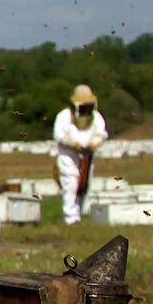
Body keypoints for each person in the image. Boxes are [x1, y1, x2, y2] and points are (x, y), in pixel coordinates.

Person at [52, 84, 106, 224]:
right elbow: (60, 136)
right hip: (68, 155)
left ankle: (79, 215)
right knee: (71, 183)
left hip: (88, 155)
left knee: (85, 185)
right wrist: (74, 144)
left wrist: (93, 143)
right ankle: (70, 218)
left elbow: (101, 133)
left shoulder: (96, 117)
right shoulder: (63, 117)